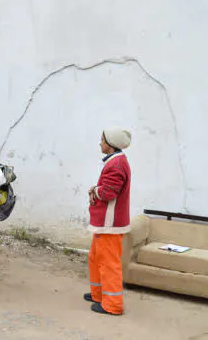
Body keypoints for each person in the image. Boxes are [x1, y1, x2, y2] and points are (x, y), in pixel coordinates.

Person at [85, 127, 132, 316]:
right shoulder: (116, 161)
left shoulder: (117, 164)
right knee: (95, 259)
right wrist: (98, 188)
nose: (100, 143)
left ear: (111, 145)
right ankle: (98, 295)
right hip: (105, 223)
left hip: (109, 224)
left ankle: (113, 305)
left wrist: (95, 190)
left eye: (102, 140)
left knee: (108, 263)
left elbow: (109, 192)